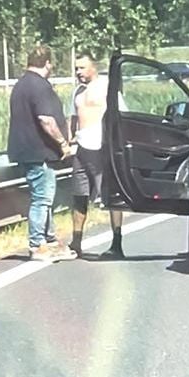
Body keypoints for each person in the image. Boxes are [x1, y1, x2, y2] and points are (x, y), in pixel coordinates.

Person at [6, 45, 77, 262]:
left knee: (45, 197)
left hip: (28, 151)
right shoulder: (39, 86)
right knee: (42, 199)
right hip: (39, 152)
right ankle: (37, 244)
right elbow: (46, 119)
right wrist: (63, 143)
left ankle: (50, 240)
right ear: (48, 63)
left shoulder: (21, 85)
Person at [67, 54, 124, 260]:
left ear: (93, 68)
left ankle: (117, 244)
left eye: (82, 68)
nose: (78, 72)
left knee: (110, 197)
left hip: (102, 148)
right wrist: (68, 141)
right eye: (76, 68)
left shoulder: (107, 87)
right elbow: (73, 118)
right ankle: (76, 241)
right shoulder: (78, 91)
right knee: (79, 196)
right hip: (81, 149)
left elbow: (121, 115)